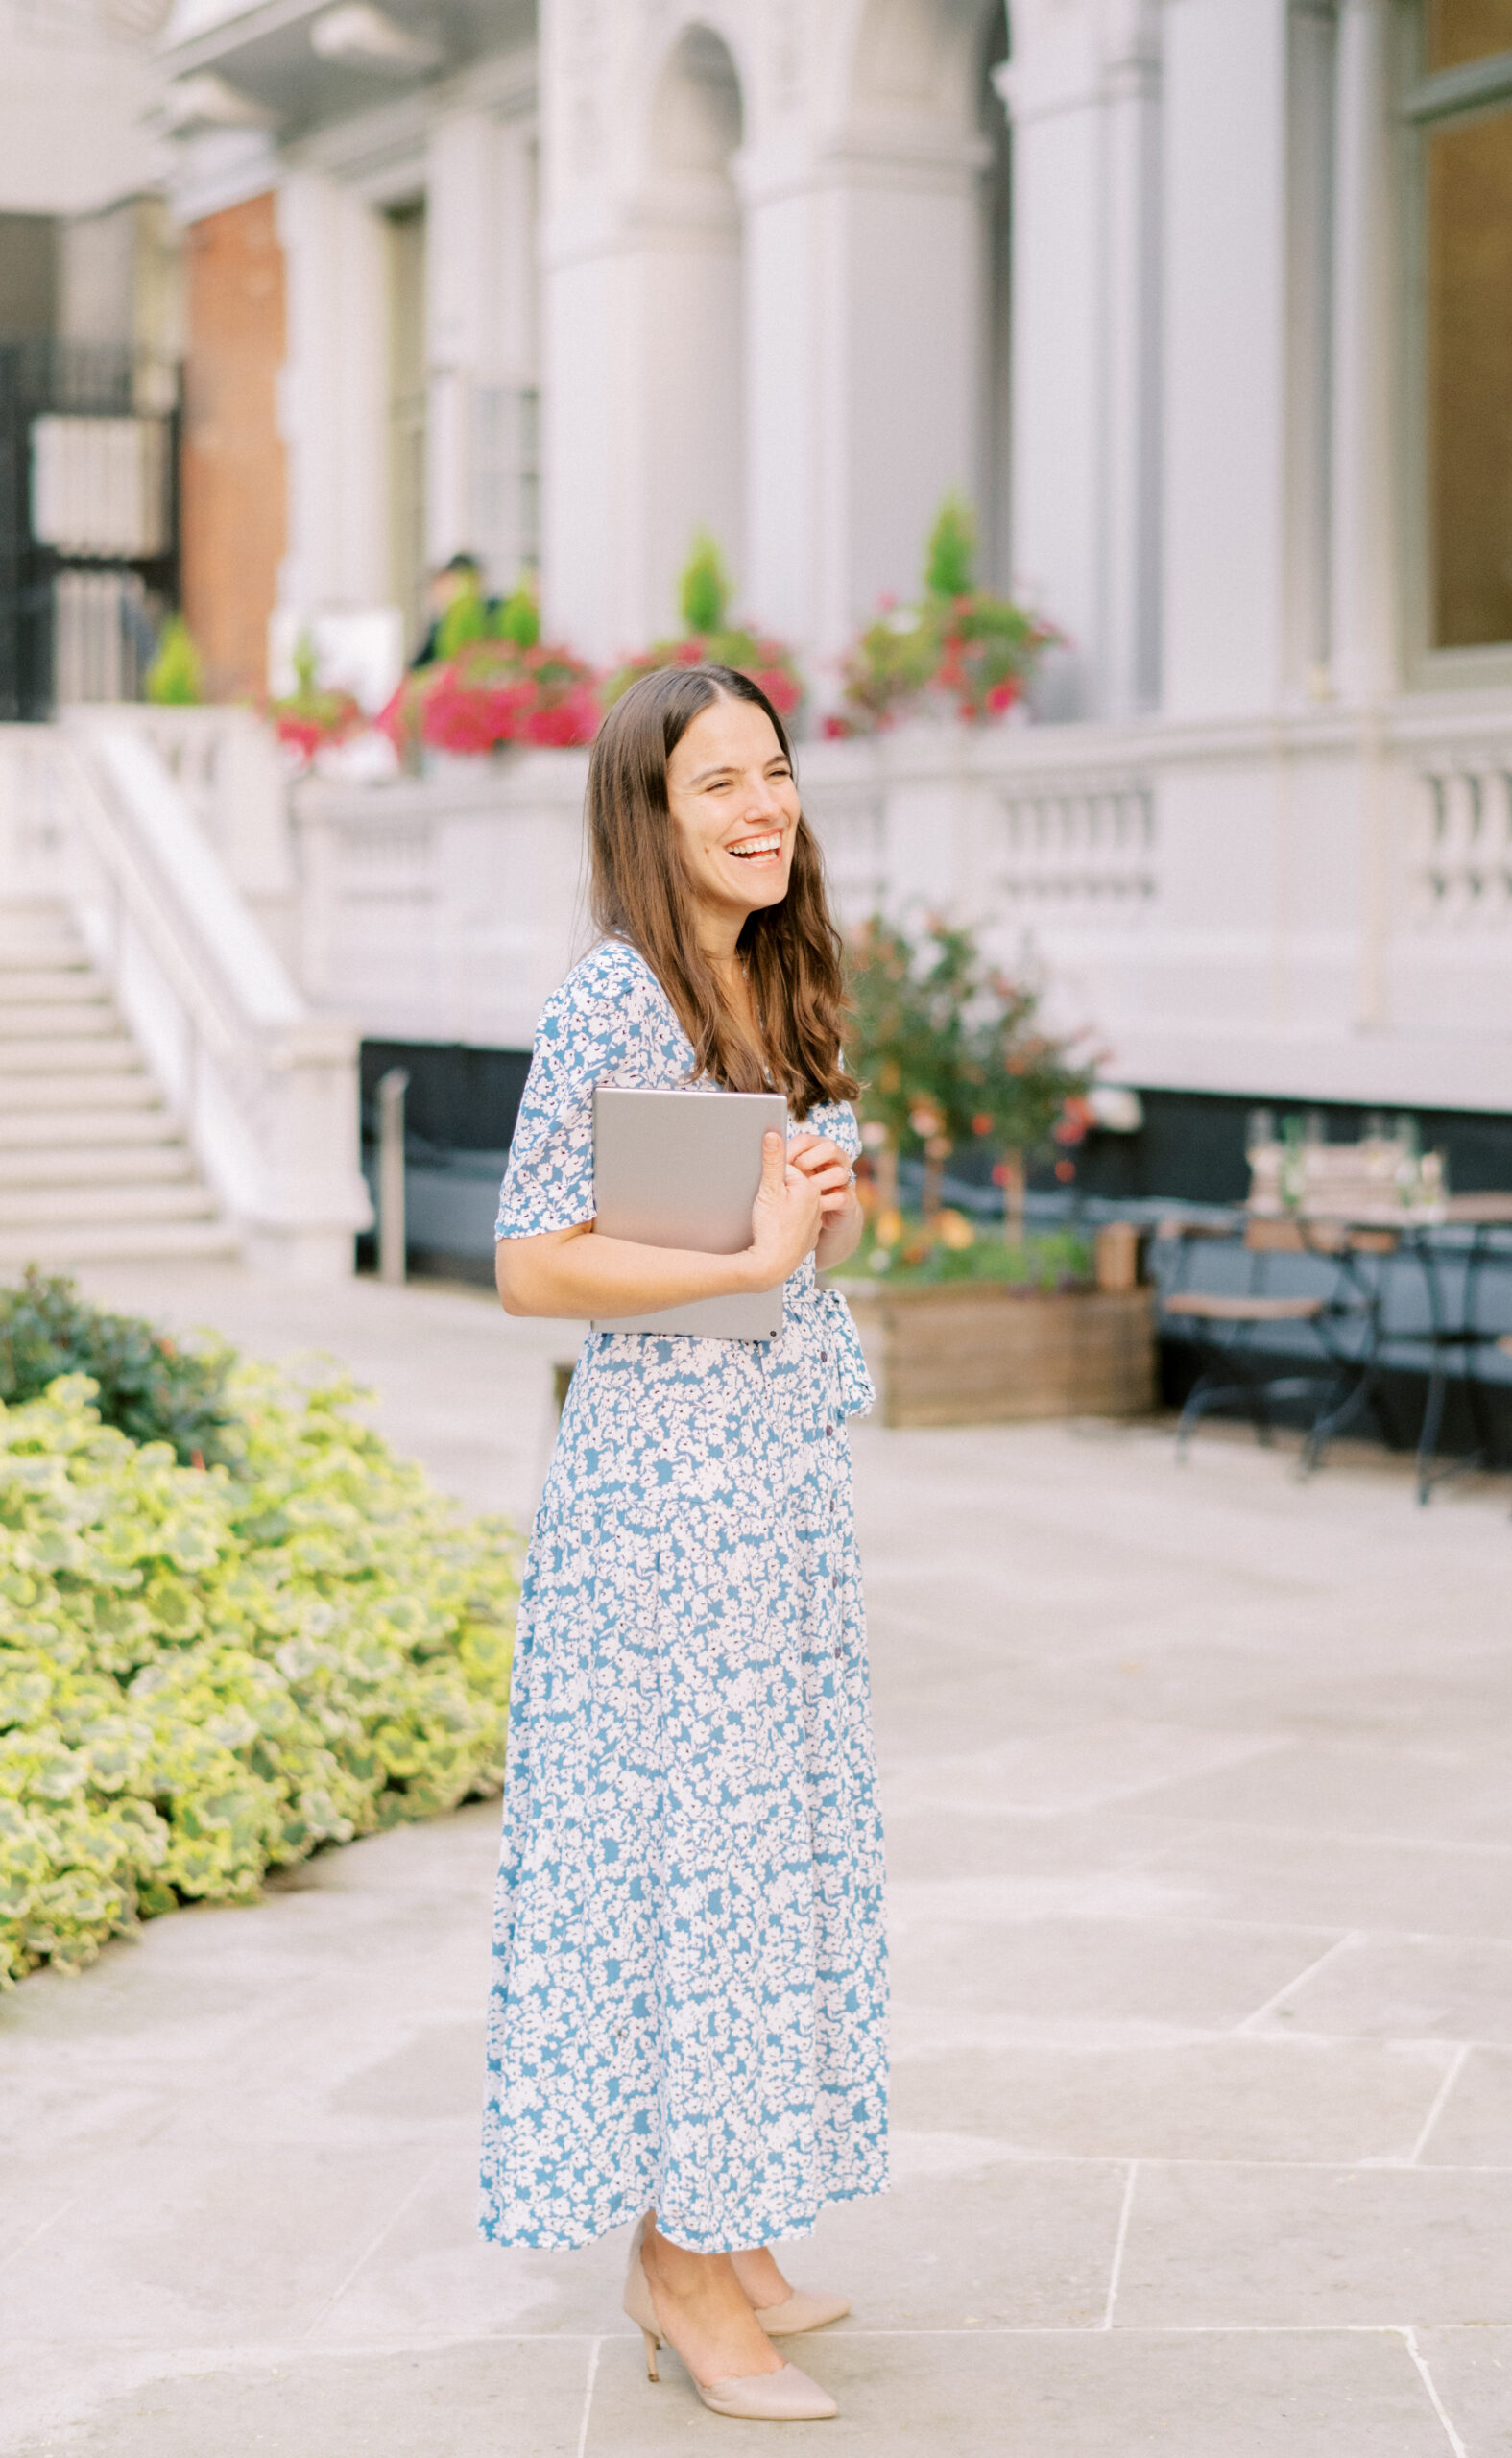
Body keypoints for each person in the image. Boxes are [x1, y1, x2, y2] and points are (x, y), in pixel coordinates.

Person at [478, 663, 887, 2422]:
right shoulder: (613, 1000)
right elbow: (528, 1260)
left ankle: (731, 2233)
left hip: (770, 1494)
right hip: (663, 1510)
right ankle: (675, 2268)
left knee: (760, 1865)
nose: (760, 805)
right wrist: (742, 1260)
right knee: (683, 1881)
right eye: (716, 781)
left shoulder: (765, 978)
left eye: (774, 771)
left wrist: (805, 1217)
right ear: (649, 816)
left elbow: (756, 1238)